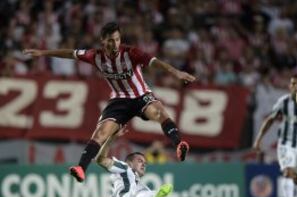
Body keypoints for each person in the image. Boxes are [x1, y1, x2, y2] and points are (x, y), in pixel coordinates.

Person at [23, 22, 195, 182]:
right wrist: (43, 53)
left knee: (158, 112)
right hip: (119, 100)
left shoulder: (131, 53)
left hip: (141, 96)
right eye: (111, 41)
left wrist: (176, 72)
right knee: (101, 133)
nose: (115, 44)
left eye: (118, 39)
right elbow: (71, 53)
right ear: (103, 41)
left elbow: (155, 62)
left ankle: (179, 144)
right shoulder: (94, 56)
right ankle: (81, 168)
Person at [95, 125, 207, 197]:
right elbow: (100, 159)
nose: (144, 164)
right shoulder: (124, 168)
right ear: (129, 163)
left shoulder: (119, 190)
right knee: (140, 193)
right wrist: (112, 136)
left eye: (145, 163)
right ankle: (154, 196)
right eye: (139, 161)